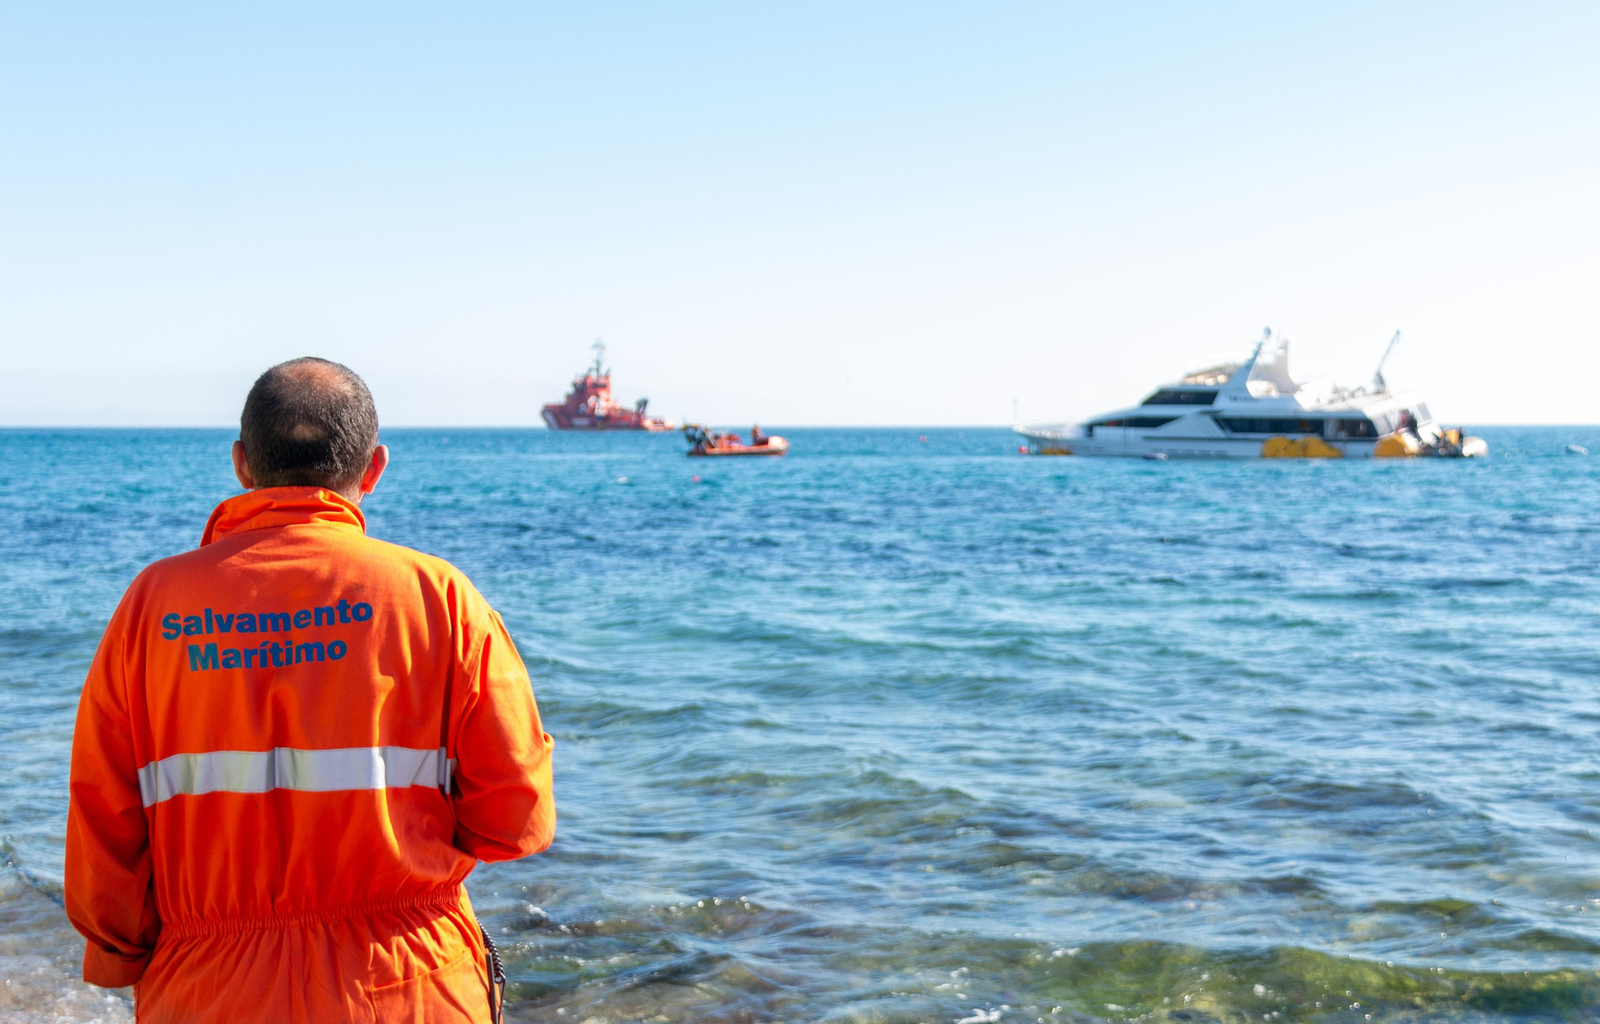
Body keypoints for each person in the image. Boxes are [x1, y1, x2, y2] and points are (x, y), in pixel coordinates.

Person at [65, 358, 555, 1023]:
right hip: (405, 983)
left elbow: (104, 813)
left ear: (241, 464)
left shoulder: (153, 605)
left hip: (210, 989)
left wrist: (120, 954)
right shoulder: (437, 597)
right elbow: (517, 816)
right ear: (374, 468)